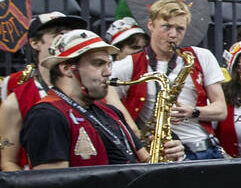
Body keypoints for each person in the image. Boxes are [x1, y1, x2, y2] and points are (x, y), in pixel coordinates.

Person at [21, 29, 184, 168]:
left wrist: (166, 158)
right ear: (66, 68)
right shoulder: (46, 115)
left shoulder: (112, 112)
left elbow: (146, 161)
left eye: (108, 64)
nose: (107, 73)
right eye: (98, 64)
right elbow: (55, 187)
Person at [109, 0, 228, 161]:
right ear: (150, 25)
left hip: (205, 149)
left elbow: (221, 110)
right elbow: (107, 96)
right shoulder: (129, 65)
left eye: (180, 29)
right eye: (166, 27)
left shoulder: (201, 56)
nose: (173, 35)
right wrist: (135, 134)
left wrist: (193, 112)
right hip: (164, 153)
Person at [0, 11, 88, 170]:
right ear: (35, 43)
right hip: (42, 186)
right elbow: (8, 161)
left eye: (70, 34)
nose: (67, 39)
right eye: (59, 34)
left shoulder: (92, 87)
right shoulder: (17, 100)